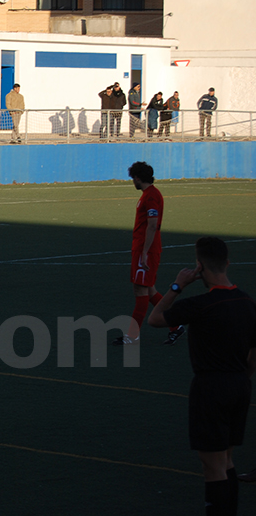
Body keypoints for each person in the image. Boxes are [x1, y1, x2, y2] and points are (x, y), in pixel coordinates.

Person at [148, 237, 256, 516]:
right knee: (227, 461)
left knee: (213, 468)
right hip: (240, 386)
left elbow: (156, 318)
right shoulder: (247, 301)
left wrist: (177, 286)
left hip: (210, 388)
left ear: (199, 266)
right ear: (227, 263)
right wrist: (243, 377)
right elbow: (254, 354)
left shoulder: (200, 304)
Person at [113, 161, 185, 345]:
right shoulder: (149, 194)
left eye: (133, 178)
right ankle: (176, 326)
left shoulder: (151, 196)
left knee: (140, 290)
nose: (133, 182)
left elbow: (152, 225)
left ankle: (132, 335)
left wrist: (144, 252)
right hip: (143, 247)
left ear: (138, 178)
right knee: (149, 289)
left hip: (146, 249)